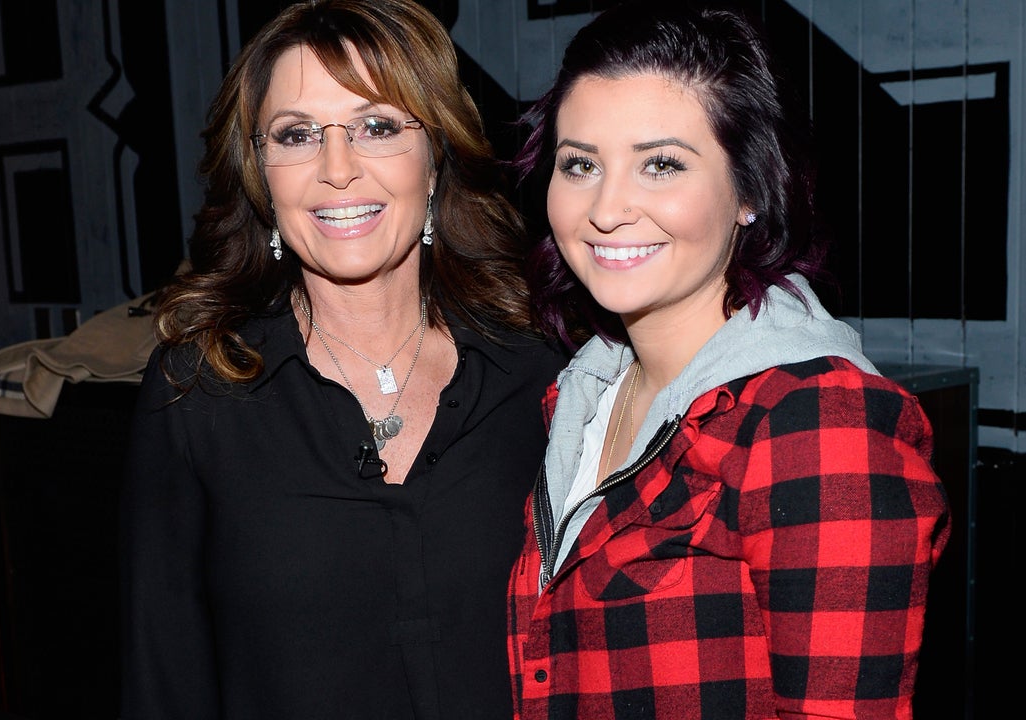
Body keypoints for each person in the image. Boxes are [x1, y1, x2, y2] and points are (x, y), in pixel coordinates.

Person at [118, 2, 567, 718]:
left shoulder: (545, 368)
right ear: (261, 173)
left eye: (378, 126)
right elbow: (163, 676)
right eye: (296, 135)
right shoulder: (197, 388)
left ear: (436, 156)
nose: (337, 169)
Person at [505, 1, 952, 718]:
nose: (608, 207)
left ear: (748, 190)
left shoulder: (817, 424)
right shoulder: (585, 394)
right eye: (581, 163)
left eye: (661, 165)